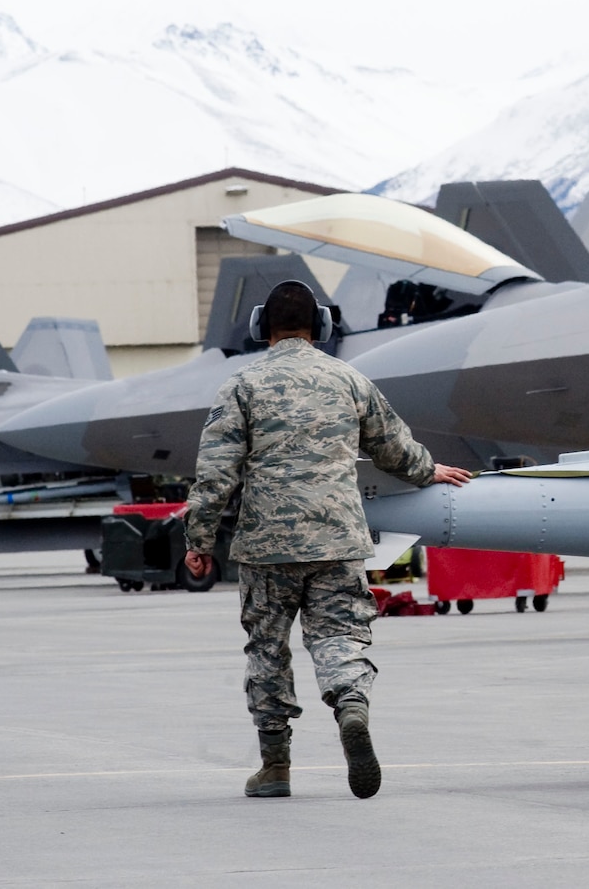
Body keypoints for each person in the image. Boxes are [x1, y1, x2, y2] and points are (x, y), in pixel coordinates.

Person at [183, 280, 471, 800]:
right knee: (339, 635)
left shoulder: (241, 385)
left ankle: (275, 767)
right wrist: (430, 471)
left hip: (267, 544)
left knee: (268, 650)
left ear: (258, 328)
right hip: (338, 538)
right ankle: (351, 707)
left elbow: (215, 474)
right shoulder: (349, 380)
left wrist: (198, 541)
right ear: (320, 326)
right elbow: (393, 448)